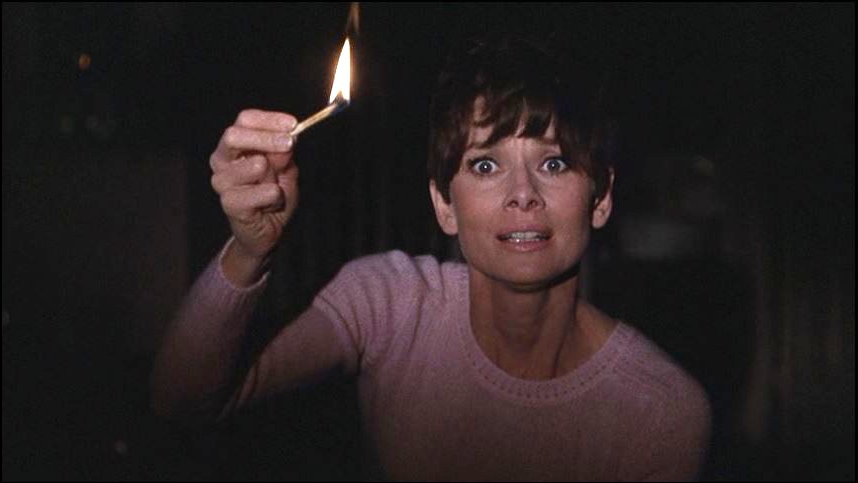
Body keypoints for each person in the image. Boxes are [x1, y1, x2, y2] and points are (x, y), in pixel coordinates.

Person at [151, 36, 711, 481]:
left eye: (554, 163)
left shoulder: (661, 413)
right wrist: (251, 249)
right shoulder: (388, 304)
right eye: (485, 165)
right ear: (444, 204)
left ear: (601, 197)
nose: (523, 194)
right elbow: (183, 402)